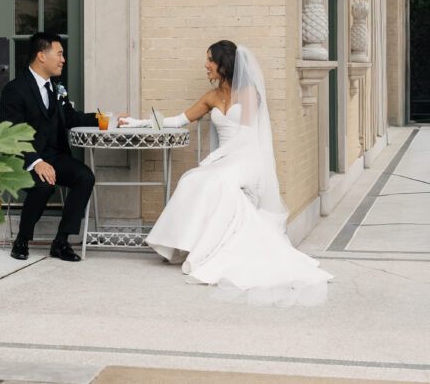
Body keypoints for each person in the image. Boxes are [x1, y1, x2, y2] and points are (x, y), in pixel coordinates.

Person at [120, 41, 332, 305]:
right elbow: (178, 120)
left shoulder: (248, 93)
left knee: (215, 180)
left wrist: (213, 157)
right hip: (225, 159)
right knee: (193, 180)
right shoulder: (212, 96)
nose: (206, 65)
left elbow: (245, 137)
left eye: (210, 60)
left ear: (225, 64)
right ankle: (182, 246)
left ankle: (212, 251)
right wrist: (138, 122)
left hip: (246, 158)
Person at [0, 32, 98, 262]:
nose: (63, 59)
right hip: (24, 158)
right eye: (60, 54)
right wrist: (36, 161)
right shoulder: (15, 90)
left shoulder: (56, 87)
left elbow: (71, 118)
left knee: (84, 176)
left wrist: (105, 119)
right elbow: (13, 134)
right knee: (43, 185)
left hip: (54, 155)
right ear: (41, 56)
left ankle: (61, 242)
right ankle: (22, 240)